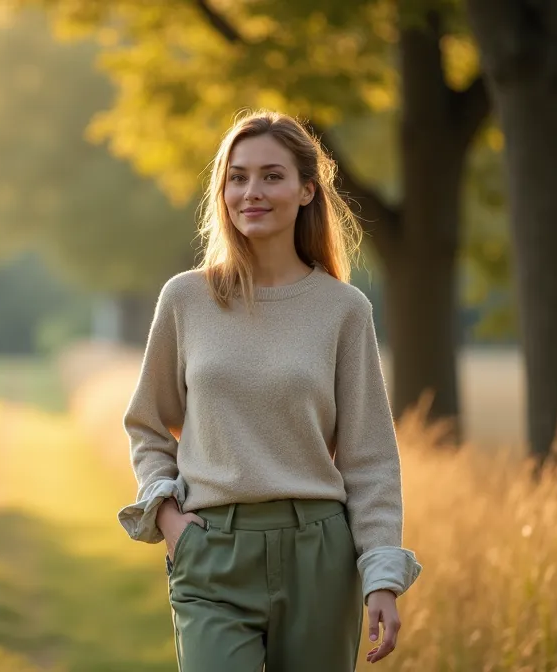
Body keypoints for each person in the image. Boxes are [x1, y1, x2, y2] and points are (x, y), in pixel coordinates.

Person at [117, 109, 421, 670]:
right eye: (237, 176)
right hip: (212, 552)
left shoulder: (343, 310)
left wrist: (381, 575)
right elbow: (148, 425)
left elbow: (370, 458)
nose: (251, 191)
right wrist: (167, 518)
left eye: (271, 176)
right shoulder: (186, 300)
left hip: (319, 557)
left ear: (307, 190)